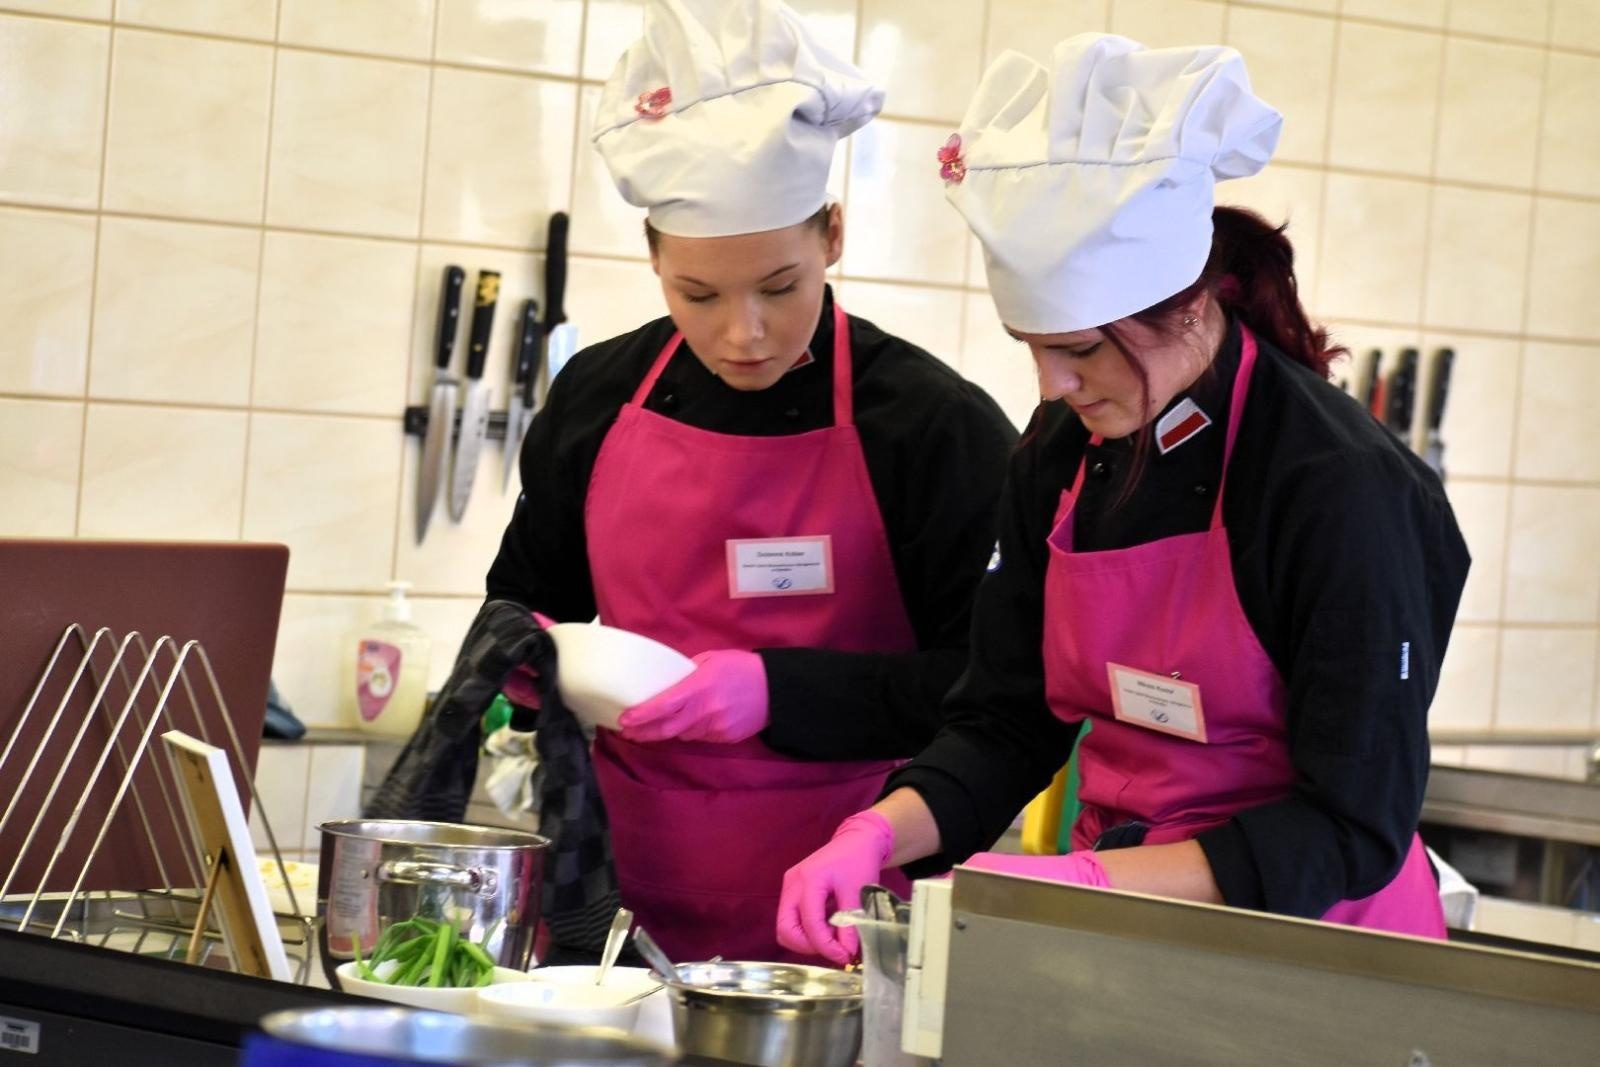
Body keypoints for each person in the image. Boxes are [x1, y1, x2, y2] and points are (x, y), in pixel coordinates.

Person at [776, 33, 1471, 965]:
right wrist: (879, 831)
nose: (1053, 384)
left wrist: (1093, 883)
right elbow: (1006, 720)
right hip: (1128, 944)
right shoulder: (1062, 457)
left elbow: (1349, 825)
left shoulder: (1338, 487)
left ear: (1184, 304)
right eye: (1033, 345)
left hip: (1321, 965)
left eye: (1082, 350)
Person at [453, 0, 1016, 964]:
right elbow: (521, 604)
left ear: (832, 235)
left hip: (846, 919)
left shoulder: (932, 424)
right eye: (699, 295)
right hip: (609, 914)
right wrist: (535, 661)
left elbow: (986, 691)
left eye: (780, 287)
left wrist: (772, 690)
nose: (741, 334)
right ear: (654, 260)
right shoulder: (597, 395)